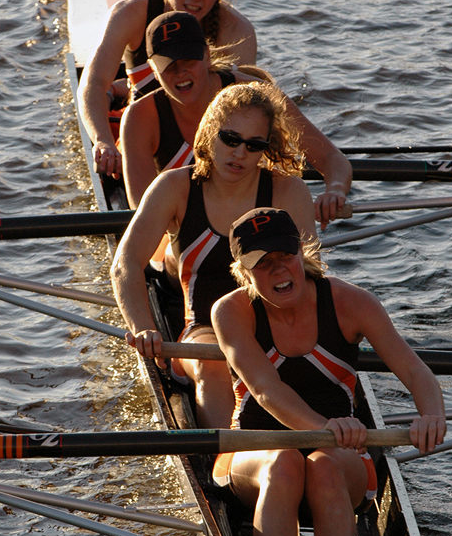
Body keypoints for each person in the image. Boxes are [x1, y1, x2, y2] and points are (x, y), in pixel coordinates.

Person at [210, 207, 446, 536]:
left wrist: (431, 416)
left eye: (285, 256)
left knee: (321, 465)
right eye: (263, 264)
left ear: (302, 252)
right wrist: (328, 428)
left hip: (337, 457)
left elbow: (415, 370)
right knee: (285, 461)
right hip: (254, 453)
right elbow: (266, 390)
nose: (280, 271)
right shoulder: (231, 311)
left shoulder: (352, 303)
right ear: (242, 272)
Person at [111, 82, 317, 429]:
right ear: (209, 131)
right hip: (204, 334)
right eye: (230, 139)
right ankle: (223, 466)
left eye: (254, 146)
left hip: (274, 327)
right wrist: (143, 329)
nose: (239, 154)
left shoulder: (287, 191)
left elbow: (311, 277)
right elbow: (125, 265)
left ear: (268, 148)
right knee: (216, 365)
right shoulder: (174, 187)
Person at [120, 11, 352, 228]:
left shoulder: (257, 96)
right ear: (152, 69)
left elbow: (333, 159)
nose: (180, 73)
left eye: (189, 60)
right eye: (168, 65)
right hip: (179, 241)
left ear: (207, 56)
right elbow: (142, 211)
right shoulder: (140, 117)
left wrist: (335, 190)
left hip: (258, 232)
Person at [78, 0, 256, 180]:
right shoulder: (131, 15)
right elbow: (93, 83)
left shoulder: (238, 32)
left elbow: (245, 114)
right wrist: (103, 142)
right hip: (144, 139)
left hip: (207, 144)